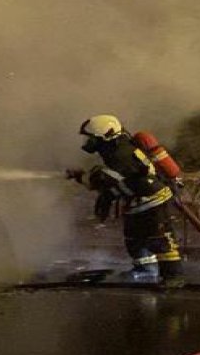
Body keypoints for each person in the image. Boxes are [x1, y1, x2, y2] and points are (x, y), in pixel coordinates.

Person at [75, 113, 185, 289]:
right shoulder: (113, 149)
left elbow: (107, 180)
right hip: (136, 202)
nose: (89, 143)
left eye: (92, 139)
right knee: (134, 239)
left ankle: (174, 276)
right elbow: (116, 180)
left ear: (106, 136)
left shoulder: (121, 154)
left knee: (160, 239)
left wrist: (98, 188)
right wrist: (88, 180)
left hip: (152, 199)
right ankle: (146, 270)